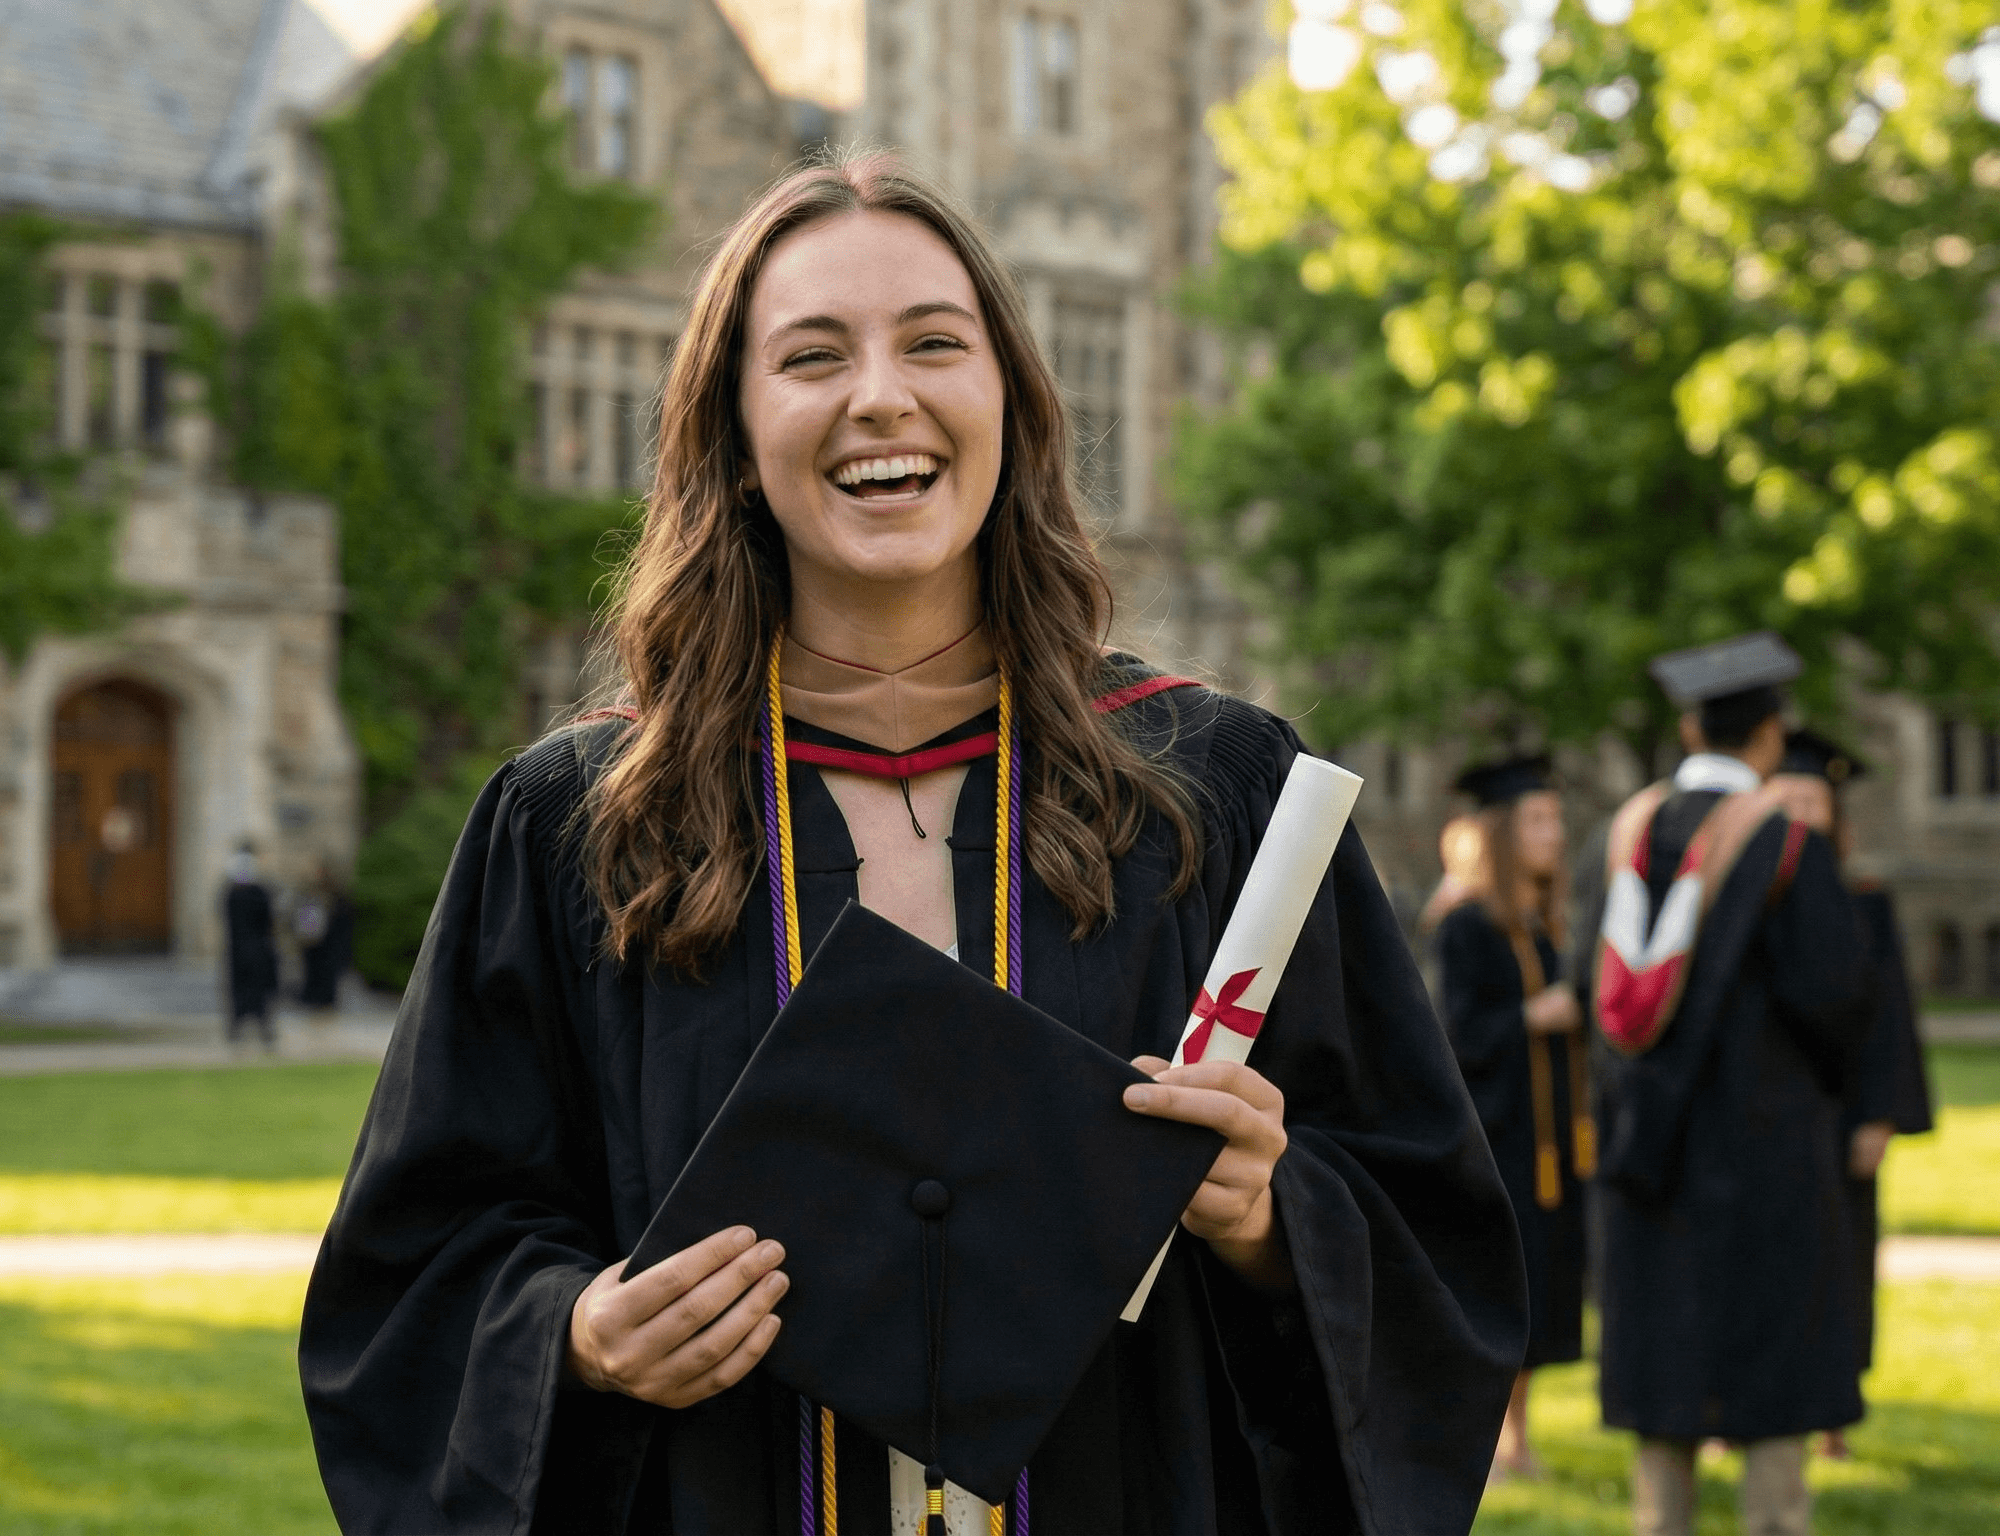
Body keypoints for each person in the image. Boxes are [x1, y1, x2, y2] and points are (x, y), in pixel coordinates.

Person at [298, 151, 1525, 1535]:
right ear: (736, 435)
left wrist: (1273, 1218)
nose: (882, 395)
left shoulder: (1217, 793)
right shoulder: (582, 823)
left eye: (936, 343)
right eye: (811, 356)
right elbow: (413, 1275)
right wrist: (577, 1337)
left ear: (1011, 402)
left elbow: (1435, 1236)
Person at [1578, 633, 1872, 1536]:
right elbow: (1837, 998)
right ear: (1772, 736)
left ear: (1687, 724)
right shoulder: (1786, 845)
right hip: (1763, 1150)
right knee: (1770, 1365)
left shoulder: (1620, 835)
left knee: (1664, 1357)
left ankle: (1659, 1520)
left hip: (1644, 1150)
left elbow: (1582, 980)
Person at [1770, 730, 1934, 1462]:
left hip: (1839, 1113)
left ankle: (1832, 1410)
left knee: (1838, 1263)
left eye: (1815, 803)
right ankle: (1757, 1408)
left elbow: (1890, 1016)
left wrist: (1880, 1113)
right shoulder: (1753, 896)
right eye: (1789, 801)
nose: (1802, 816)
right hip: (1767, 1113)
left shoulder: (1862, 900)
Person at [1432, 757, 1590, 1481]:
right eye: (1537, 820)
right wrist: (1535, 1014)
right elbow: (1454, 1033)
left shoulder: (1546, 922)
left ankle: (1516, 1440)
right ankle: (1493, 1443)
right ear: (1499, 833)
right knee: (1502, 1287)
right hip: (1500, 1140)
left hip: (1551, 1139)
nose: (1553, 834)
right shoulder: (1466, 925)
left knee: (1543, 1290)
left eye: (1555, 820)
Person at [221, 842, 278, 1052]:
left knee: (251, 992)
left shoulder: (233, 893)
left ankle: (246, 1028)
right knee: (250, 992)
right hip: (253, 948)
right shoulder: (256, 893)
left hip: (244, 949)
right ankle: (256, 1028)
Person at [293, 860, 354, 1026]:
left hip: (329, 944)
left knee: (327, 977)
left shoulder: (335, 895)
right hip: (312, 943)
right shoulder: (307, 892)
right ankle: (315, 1004)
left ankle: (325, 1007)